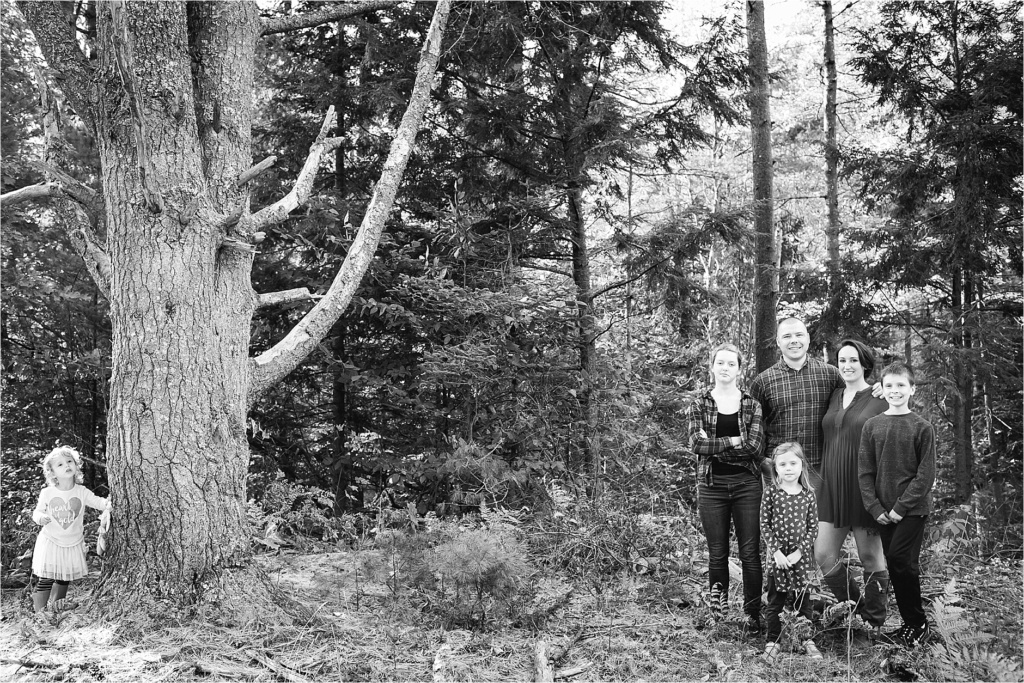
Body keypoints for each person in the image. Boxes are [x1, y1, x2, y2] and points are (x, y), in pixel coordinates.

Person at [685, 343, 766, 634]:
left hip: (747, 485)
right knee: (717, 553)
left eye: (731, 364)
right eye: (720, 363)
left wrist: (716, 445)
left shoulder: (751, 405)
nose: (725, 368)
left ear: (739, 369)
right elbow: (697, 444)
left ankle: (753, 615)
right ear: (712, 366)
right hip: (712, 486)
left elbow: (755, 448)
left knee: (750, 554)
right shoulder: (700, 403)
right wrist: (734, 441)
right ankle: (717, 615)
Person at [858, 362, 936, 648]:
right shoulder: (872, 426)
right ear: (883, 389)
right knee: (895, 564)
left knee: (903, 562)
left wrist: (900, 508)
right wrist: (875, 508)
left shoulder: (922, 427)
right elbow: (865, 472)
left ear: (912, 389)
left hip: (912, 510)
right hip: (883, 513)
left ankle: (918, 624)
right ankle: (909, 625)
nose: (895, 390)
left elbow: (926, 475)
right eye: (889, 385)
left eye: (901, 385)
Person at [815, 339, 890, 630]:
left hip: (864, 487)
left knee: (870, 555)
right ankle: (856, 612)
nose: (847, 366)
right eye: (842, 360)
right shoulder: (833, 396)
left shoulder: (880, 397)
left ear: (865, 364)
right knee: (823, 555)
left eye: (853, 361)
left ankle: (875, 623)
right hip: (831, 485)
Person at [749, 317, 846, 497]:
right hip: (779, 469)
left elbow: (854, 402)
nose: (794, 340)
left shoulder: (831, 374)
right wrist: (762, 460)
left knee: (818, 523)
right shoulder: (763, 381)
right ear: (778, 342)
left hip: (820, 467)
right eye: (787, 336)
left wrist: (877, 390)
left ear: (808, 339)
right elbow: (752, 425)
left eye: (799, 335)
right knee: (782, 524)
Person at [760, 442, 822, 661]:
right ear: (776, 468)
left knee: (804, 600)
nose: (788, 468)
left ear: (801, 465)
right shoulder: (771, 493)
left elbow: (813, 528)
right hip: (777, 559)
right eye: (783, 464)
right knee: (775, 601)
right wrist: (776, 552)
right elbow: (764, 525)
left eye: (793, 463)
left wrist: (799, 552)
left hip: (801, 559)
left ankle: (806, 640)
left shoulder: (808, 495)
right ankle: (773, 641)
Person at [30, 446, 110, 613]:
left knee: (64, 578)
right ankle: (40, 613)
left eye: (69, 461)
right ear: (52, 472)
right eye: (59, 464)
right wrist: (40, 518)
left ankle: (57, 607)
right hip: (51, 541)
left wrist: (110, 503)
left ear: (76, 465)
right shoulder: (48, 492)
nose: (66, 465)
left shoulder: (81, 491)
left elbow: (99, 503)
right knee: (46, 578)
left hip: (72, 541)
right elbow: (37, 511)